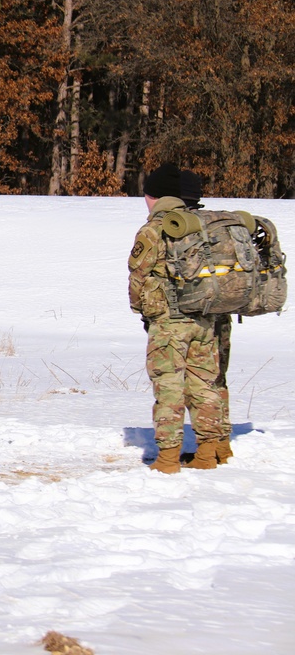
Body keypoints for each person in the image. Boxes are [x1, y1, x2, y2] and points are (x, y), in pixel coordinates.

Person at [128, 164, 228, 473]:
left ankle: (168, 459)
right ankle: (208, 452)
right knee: (204, 384)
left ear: (155, 196)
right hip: (204, 321)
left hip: (169, 324)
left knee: (169, 387)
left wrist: (143, 310)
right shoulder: (201, 223)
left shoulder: (155, 228)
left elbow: (138, 277)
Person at [180, 169, 234, 464]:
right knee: (218, 379)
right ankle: (222, 446)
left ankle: (206, 451)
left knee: (198, 383)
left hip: (197, 318)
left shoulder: (182, 227)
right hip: (222, 314)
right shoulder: (219, 225)